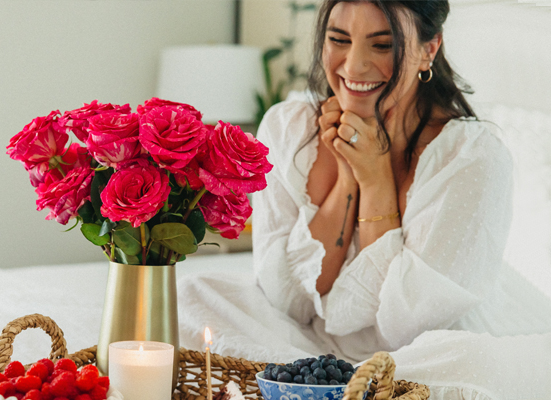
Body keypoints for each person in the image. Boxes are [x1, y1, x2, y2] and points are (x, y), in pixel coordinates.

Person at [178, 1, 551, 399]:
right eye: (339, 39)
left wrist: (376, 182)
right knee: (194, 296)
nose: (353, 67)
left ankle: (312, 384)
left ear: (429, 48)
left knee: (467, 365)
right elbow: (288, 303)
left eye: (383, 45)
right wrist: (348, 174)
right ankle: (334, 384)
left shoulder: (471, 156)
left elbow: (404, 327)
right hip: (312, 341)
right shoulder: (289, 127)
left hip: (419, 353)